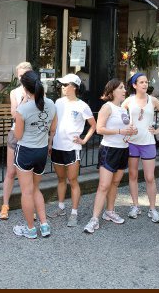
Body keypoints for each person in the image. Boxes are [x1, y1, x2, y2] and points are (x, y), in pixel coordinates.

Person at [83, 79, 137, 234]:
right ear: (112, 90)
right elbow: (99, 129)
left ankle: (109, 211)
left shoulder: (122, 109)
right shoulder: (107, 107)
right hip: (109, 149)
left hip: (123, 149)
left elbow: (124, 129)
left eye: (124, 88)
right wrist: (121, 132)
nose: (124, 90)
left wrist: (130, 132)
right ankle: (94, 219)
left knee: (115, 183)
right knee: (104, 185)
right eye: (121, 88)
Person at [12, 70, 57, 239]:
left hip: (25, 151)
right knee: (36, 188)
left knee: (26, 191)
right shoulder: (51, 104)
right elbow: (53, 129)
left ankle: (30, 229)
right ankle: (44, 225)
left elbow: (18, 136)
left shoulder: (23, 109)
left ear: (25, 88)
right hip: (42, 150)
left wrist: (23, 102)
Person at [122, 73, 159, 223]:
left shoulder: (153, 100)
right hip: (132, 142)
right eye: (141, 82)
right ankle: (135, 206)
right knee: (132, 175)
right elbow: (120, 113)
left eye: (146, 82)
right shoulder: (129, 100)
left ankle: (152, 209)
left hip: (148, 142)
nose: (145, 84)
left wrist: (158, 130)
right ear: (134, 85)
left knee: (150, 177)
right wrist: (126, 124)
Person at [47, 73, 96, 227]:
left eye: (65, 85)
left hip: (72, 148)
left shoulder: (82, 105)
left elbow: (94, 125)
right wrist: (50, 142)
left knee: (72, 180)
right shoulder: (58, 102)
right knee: (61, 179)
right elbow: (54, 123)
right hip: (57, 146)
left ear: (74, 86)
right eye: (61, 85)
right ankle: (61, 208)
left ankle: (74, 213)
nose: (62, 87)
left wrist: (84, 140)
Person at [0, 61, 34, 220]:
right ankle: (5, 205)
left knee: (28, 174)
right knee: (11, 171)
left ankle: (29, 207)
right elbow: (14, 113)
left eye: (25, 75)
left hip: (31, 134)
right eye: (20, 76)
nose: (22, 79)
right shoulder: (15, 92)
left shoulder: (39, 90)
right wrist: (25, 100)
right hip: (16, 132)